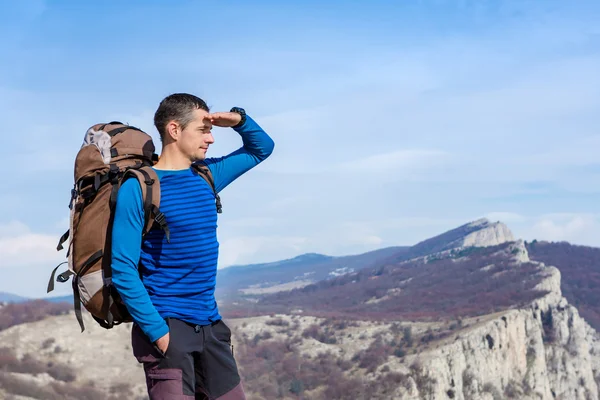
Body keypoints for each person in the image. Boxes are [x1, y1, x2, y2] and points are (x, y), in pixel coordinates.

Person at [110, 93, 274, 399]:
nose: (211, 138)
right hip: (168, 327)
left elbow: (261, 148)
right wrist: (160, 335)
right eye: (203, 129)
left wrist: (237, 120)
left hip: (210, 324)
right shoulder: (140, 188)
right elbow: (123, 269)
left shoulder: (207, 175)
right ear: (174, 130)